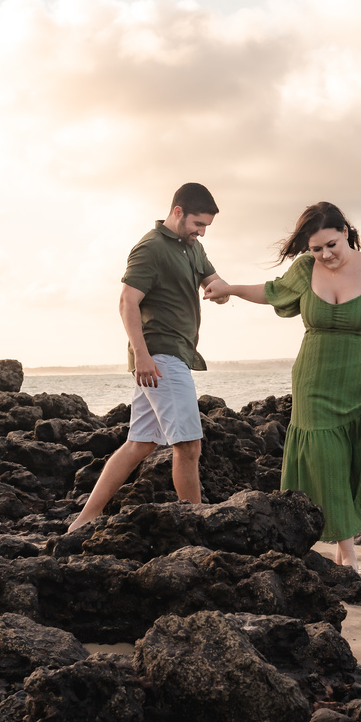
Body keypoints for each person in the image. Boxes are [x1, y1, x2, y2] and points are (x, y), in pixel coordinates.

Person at [203, 202, 361, 570]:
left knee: (353, 459)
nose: (325, 255)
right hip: (314, 379)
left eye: (331, 245)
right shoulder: (306, 270)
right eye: (316, 249)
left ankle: (342, 541)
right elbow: (271, 291)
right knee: (326, 460)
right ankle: (347, 550)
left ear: (346, 233)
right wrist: (232, 289)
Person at [67, 183, 227, 532]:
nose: (201, 232)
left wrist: (220, 291)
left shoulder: (192, 248)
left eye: (206, 227)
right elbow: (127, 301)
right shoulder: (151, 248)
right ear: (178, 212)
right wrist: (141, 355)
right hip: (160, 355)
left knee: (140, 443)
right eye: (198, 224)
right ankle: (195, 526)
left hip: (175, 354)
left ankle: (83, 519)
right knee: (188, 446)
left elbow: (214, 281)